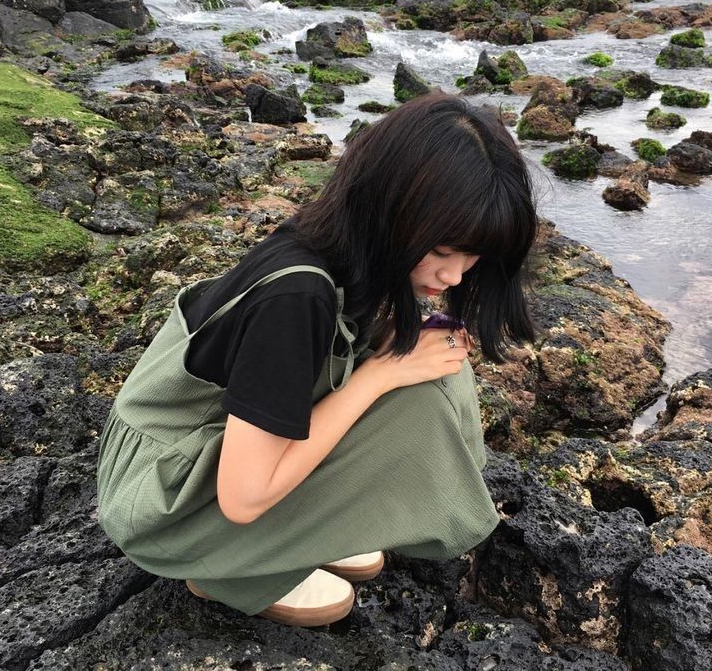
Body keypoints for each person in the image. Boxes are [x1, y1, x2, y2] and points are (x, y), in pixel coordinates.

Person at [96, 90, 537, 628]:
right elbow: (243, 496)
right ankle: (228, 567)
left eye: (473, 258)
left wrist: (389, 347)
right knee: (420, 400)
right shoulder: (298, 296)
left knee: (432, 362)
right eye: (443, 252)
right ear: (391, 209)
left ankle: (290, 532)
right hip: (161, 505)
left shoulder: (338, 244)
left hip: (193, 449)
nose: (455, 277)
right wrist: (377, 376)